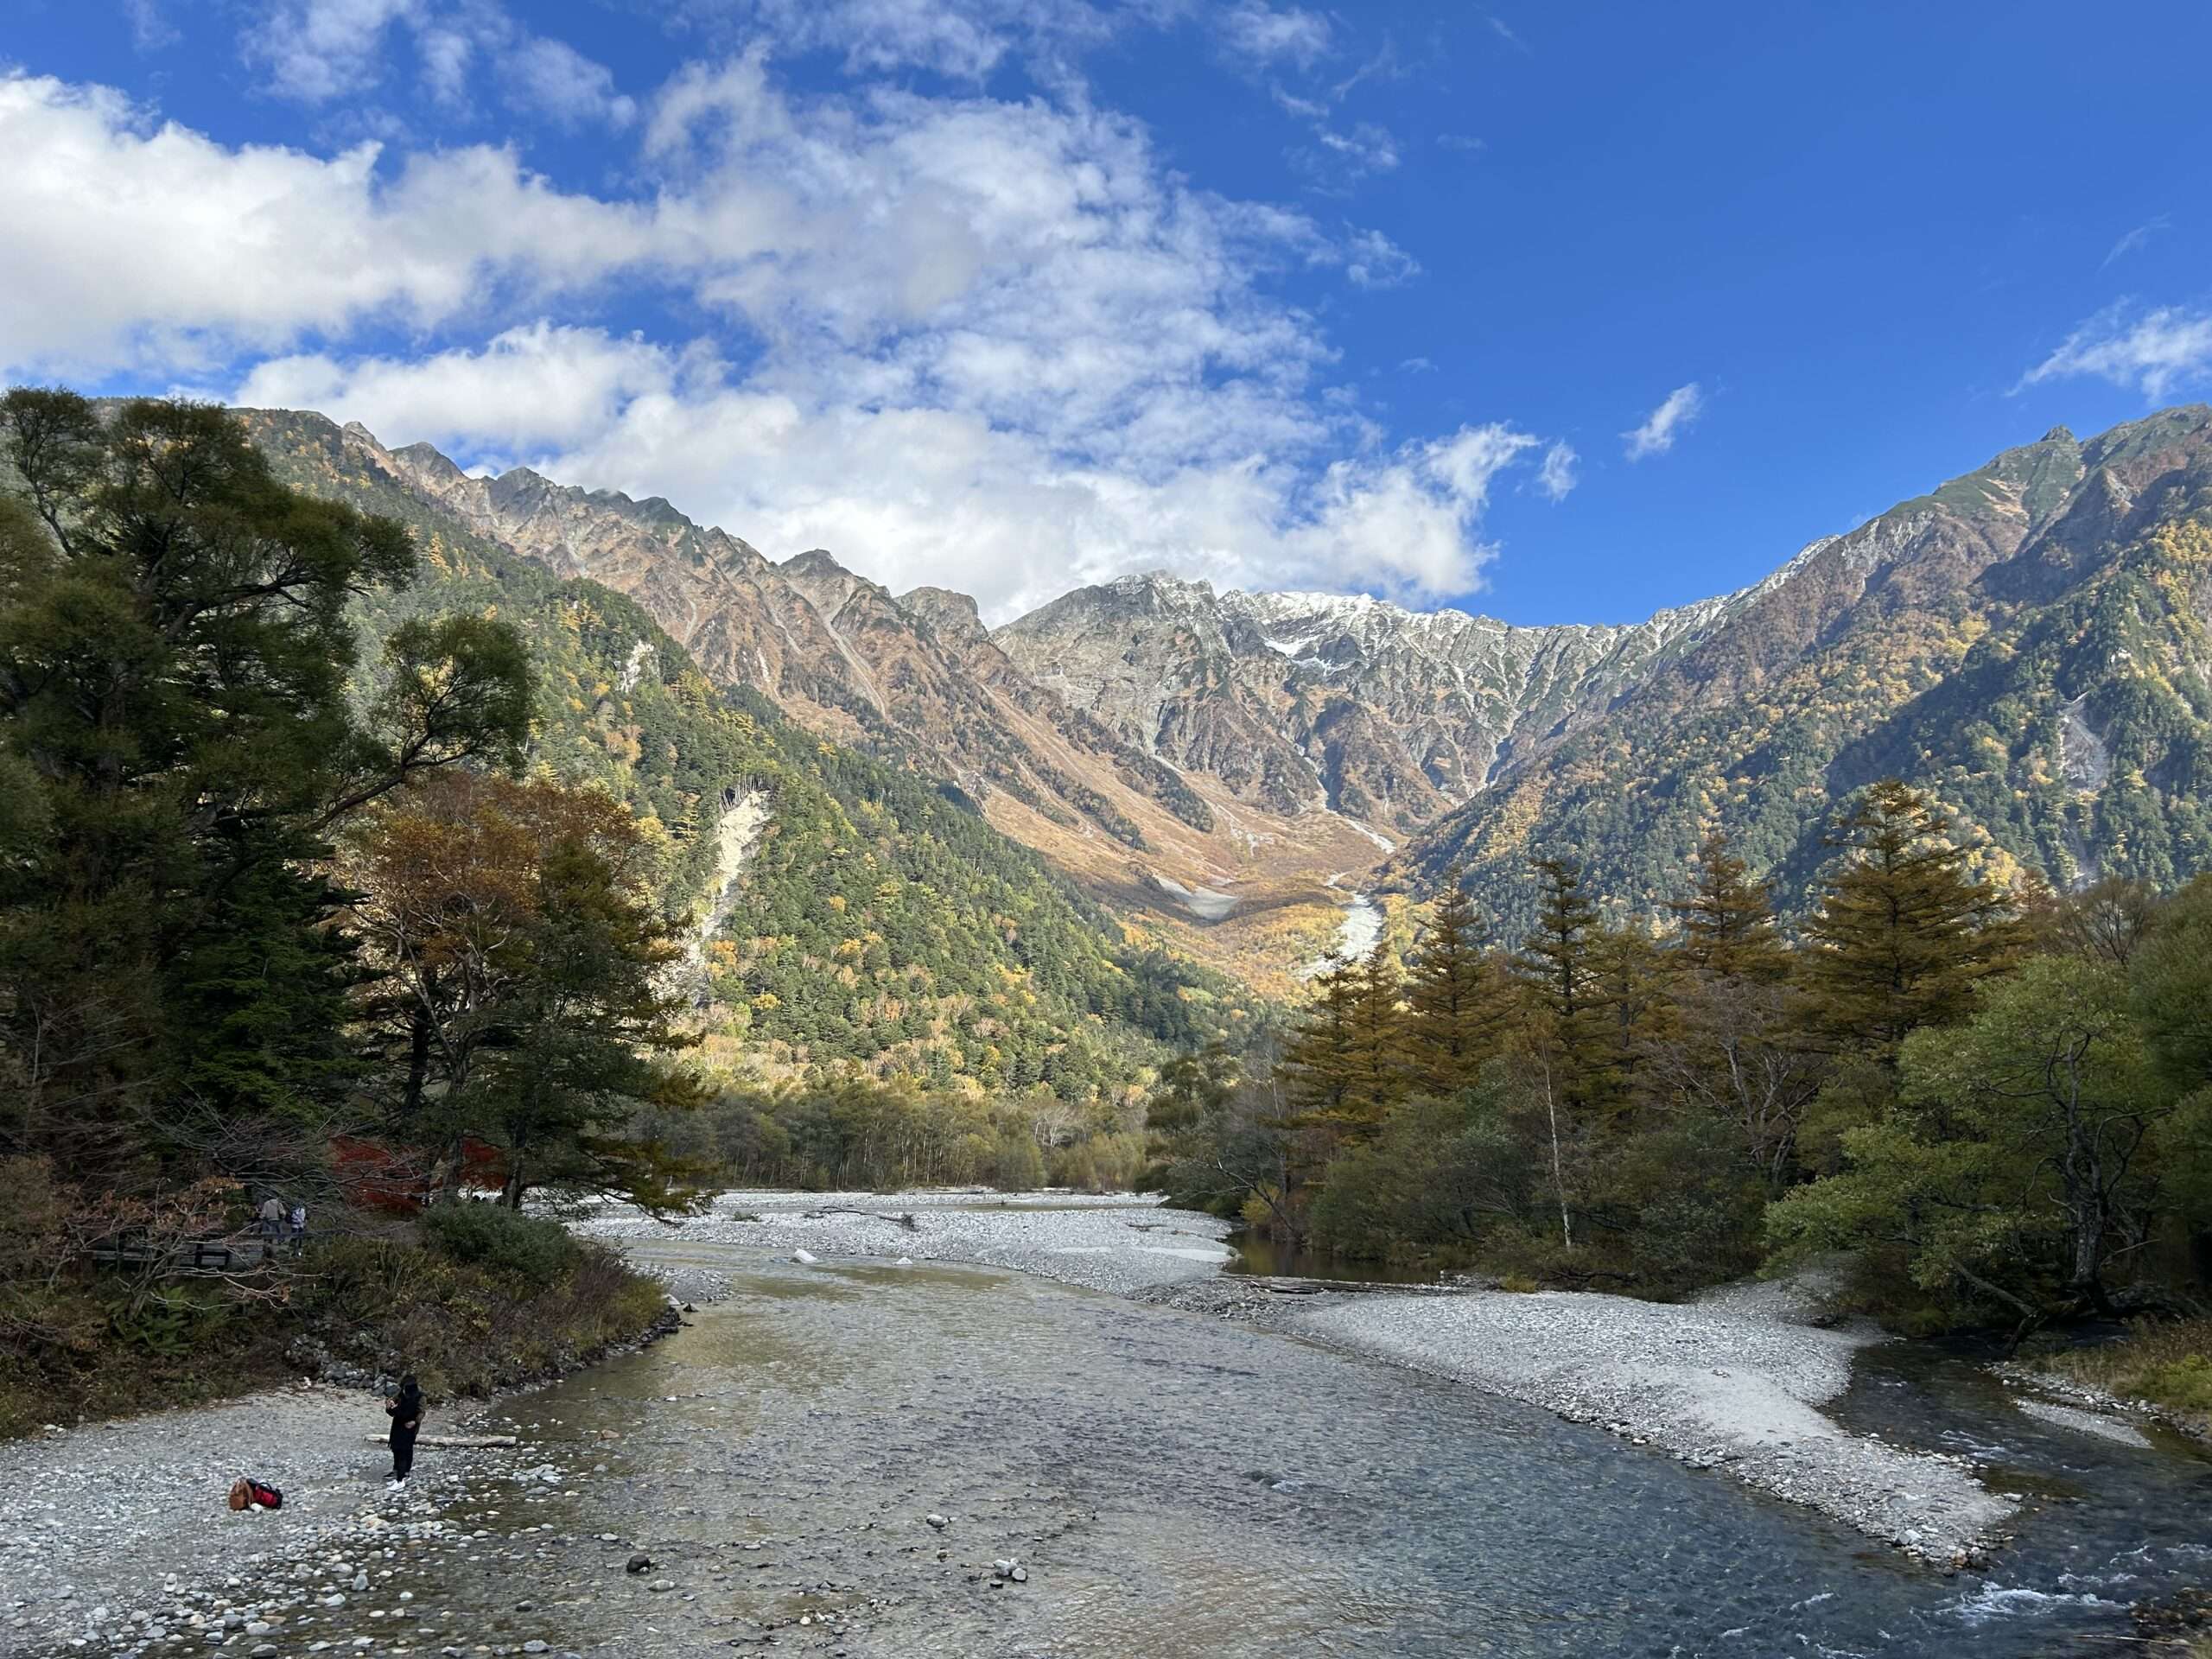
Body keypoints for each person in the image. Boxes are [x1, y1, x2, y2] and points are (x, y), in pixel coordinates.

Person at [385, 1374, 424, 1486]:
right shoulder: (402, 1392)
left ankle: (406, 1471)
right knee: (395, 1447)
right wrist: (390, 1403)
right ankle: (396, 1469)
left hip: (412, 1424)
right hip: (399, 1422)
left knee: (407, 1448)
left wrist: (415, 1422)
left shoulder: (421, 1396)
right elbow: (394, 1400)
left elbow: (422, 1411)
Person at [257, 1195, 283, 1262]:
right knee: (279, 1232)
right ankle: (280, 1241)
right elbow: (282, 1212)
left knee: (268, 1235)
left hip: (269, 1221)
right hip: (277, 1220)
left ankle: (267, 1249)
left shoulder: (266, 1203)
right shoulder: (278, 1203)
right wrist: (282, 1217)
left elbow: (263, 1213)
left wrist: (261, 1218)